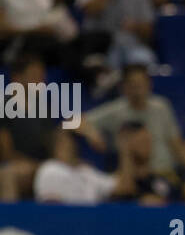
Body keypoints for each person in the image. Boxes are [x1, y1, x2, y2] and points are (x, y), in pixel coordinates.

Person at [81, 63, 184, 179]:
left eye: (141, 84)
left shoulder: (162, 106)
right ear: (123, 87)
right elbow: (72, 121)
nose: (138, 89)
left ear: (149, 84)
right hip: (133, 177)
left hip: (164, 172)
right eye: (133, 84)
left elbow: (175, 143)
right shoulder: (116, 110)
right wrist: (91, 132)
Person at [0, 53, 57, 199]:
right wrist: (33, 165)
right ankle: (9, 220)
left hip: (40, 165)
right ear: (17, 79)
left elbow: (52, 145)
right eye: (34, 76)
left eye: (42, 77)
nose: (41, 82)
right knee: (9, 174)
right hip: (13, 165)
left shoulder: (44, 109)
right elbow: (6, 152)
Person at [75, 0, 157, 71]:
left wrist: (136, 26)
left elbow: (149, 31)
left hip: (131, 46)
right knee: (99, 66)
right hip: (99, 47)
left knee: (144, 59)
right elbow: (89, 11)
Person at [33, 127, 117, 202]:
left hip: (91, 217)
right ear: (55, 146)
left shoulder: (86, 171)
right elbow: (51, 210)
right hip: (69, 218)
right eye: (63, 141)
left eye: (71, 140)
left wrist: (126, 150)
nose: (69, 145)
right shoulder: (50, 168)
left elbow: (121, 186)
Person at [110, 120, 175, 203]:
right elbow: (124, 190)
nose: (148, 146)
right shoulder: (113, 181)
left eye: (149, 141)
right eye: (142, 142)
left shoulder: (162, 180)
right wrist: (125, 153)